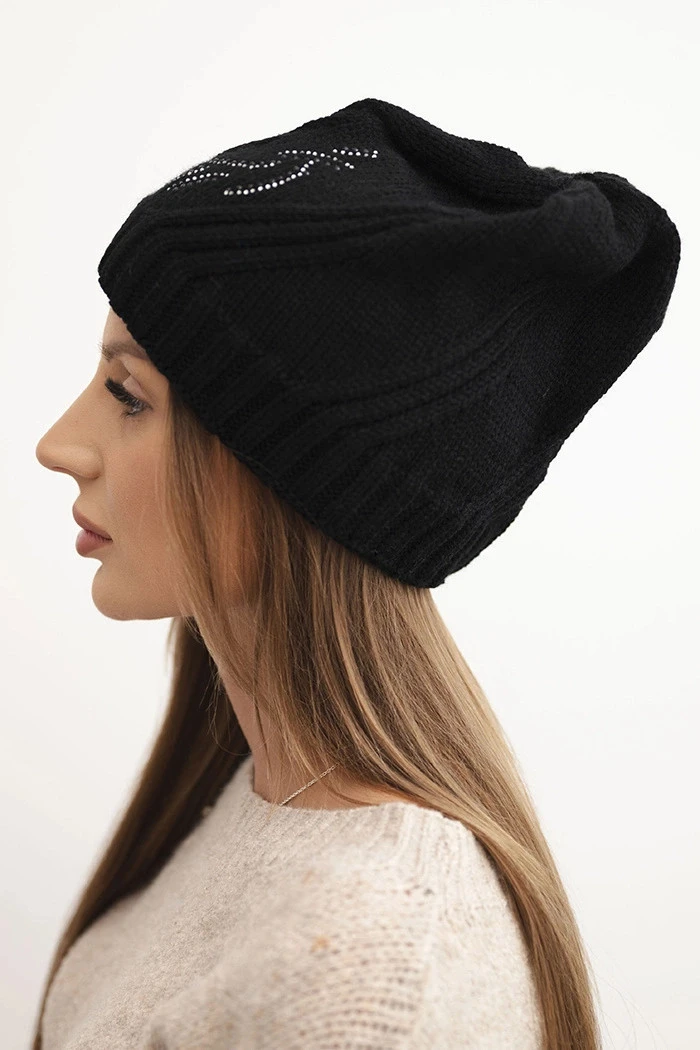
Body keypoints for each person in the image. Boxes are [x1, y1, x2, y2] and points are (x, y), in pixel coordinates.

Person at [31, 97, 680, 1050]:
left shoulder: (365, 974)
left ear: (298, 481)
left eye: (128, 395)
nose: (58, 445)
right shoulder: (261, 799)